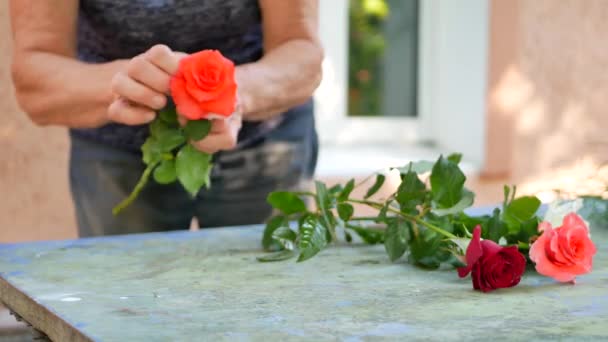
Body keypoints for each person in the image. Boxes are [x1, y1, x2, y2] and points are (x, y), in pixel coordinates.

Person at [9, 1, 323, 237]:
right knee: (126, 301)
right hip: (115, 151)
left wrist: (234, 95)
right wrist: (124, 83)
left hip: (264, 144)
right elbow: (35, 77)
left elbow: (301, 49)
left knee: (266, 295)